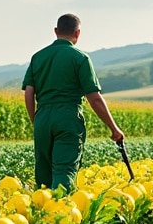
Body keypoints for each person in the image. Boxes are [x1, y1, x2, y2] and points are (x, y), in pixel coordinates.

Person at [23, 13, 125, 193]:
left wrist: (36, 120)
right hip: (68, 117)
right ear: (77, 33)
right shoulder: (80, 58)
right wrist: (114, 128)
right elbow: (94, 98)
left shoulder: (37, 57)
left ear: (56, 31)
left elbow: (29, 92)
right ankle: (61, 208)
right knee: (64, 171)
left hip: (42, 118)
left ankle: (41, 208)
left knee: (44, 174)